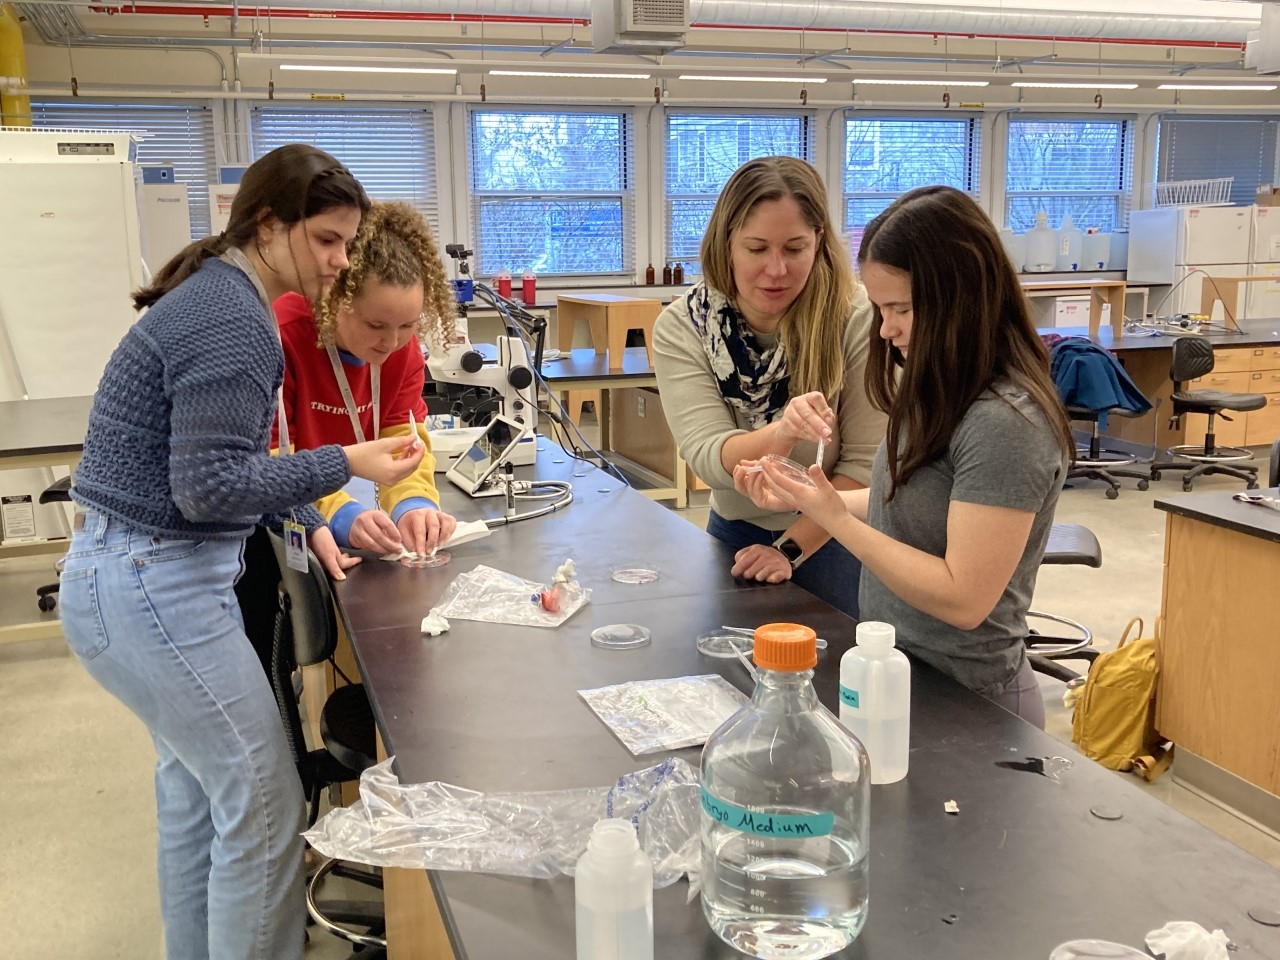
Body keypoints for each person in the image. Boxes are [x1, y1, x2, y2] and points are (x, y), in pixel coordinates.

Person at [58, 144, 424, 960]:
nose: (339, 261)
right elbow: (208, 488)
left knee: (199, 802)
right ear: (270, 225)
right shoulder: (236, 319)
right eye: (327, 240)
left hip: (130, 579)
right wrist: (344, 465)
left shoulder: (220, 296)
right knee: (263, 810)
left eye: (346, 242)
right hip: (157, 585)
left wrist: (313, 511)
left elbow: (232, 458)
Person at [735, 185, 1073, 729]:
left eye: (901, 309)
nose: (887, 329)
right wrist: (806, 492)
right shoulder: (938, 389)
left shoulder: (1006, 422)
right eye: (879, 309)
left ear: (962, 297)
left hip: (968, 699)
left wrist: (833, 518)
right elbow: (910, 503)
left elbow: (964, 599)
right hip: (903, 673)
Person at [652, 156, 884, 618]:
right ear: (727, 244)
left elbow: (864, 464)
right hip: (737, 532)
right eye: (757, 249)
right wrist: (783, 434)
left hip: (838, 536)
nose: (776, 270)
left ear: (819, 242)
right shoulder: (684, 327)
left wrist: (790, 548)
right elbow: (707, 455)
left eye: (795, 249)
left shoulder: (857, 317)